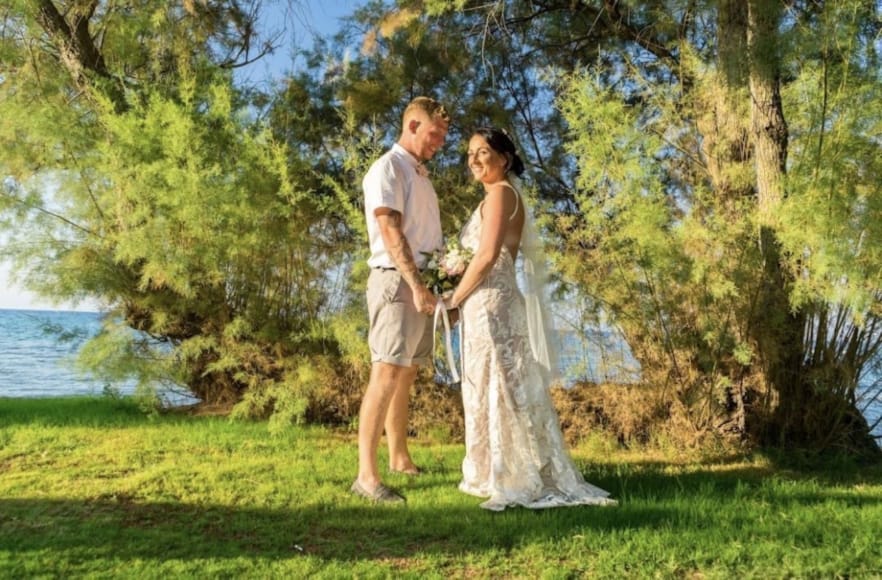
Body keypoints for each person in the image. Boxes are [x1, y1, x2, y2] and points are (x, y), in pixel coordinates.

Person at [444, 127, 616, 511]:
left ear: (504, 159)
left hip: (493, 305)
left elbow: (487, 255)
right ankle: (494, 470)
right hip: (484, 303)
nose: (473, 159)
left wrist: (454, 297)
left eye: (483, 151)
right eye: (470, 152)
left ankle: (512, 474)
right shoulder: (497, 196)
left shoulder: (502, 193)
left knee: (500, 385)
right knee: (493, 383)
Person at [351, 96, 451, 503]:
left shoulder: (420, 173)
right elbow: (391, 231)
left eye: (444, 136)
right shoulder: (387, 169)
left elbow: (428, 236)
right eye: (434, 134)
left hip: (420, 284)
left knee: (406, 374)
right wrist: (415, 284)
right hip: (396, 282)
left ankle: (398, 457)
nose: (439, 142)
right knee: (386, 373)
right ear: (412, 125)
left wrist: (441, 284)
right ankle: (366, 478)